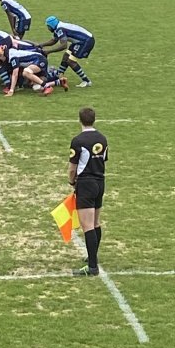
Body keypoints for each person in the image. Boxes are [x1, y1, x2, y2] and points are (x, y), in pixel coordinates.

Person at [68, 106, 108, 277]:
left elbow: (72, 168)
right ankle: (93, 257)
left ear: (80, 120)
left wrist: (71, 181)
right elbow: (103, 159)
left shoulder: (77, 141)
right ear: (94, 119)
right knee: (96, 222)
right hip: (100, 182)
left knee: (87, 226)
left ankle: (92, 267)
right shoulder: (103, 139)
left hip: (85, 183)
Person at [41, 16, 94, 86]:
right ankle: (58, 75)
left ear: (51, 25)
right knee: (66, 56)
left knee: (71, 61)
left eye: (48, 26)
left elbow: (64, 46)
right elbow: (54, 40)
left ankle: (86, 81)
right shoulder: (58, 27)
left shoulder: (60, 29)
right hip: (80, 41)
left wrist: (49, 51)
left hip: (85, 42)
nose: (48, 28)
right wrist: (41, 45)